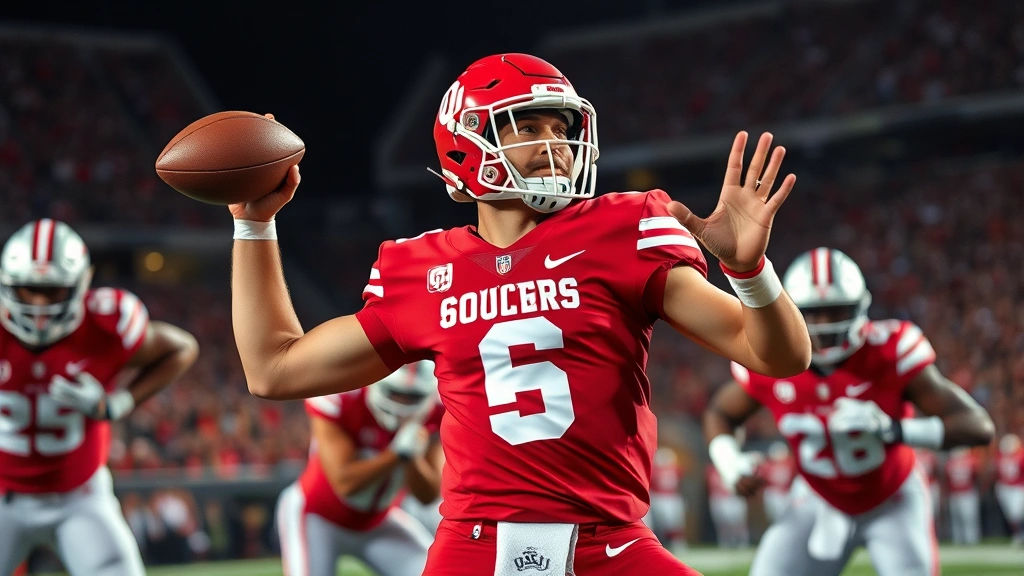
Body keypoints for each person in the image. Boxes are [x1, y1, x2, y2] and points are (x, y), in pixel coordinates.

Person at [225, 53, 811, 575]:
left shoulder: (620, 229)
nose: (555, 145)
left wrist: (749, 271)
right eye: (528, 127)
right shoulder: (422, 269)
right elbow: (273, 370)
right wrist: (254, 224)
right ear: (465, 145)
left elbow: (776, 356)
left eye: (561, 128)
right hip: (472, 548)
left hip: (610, 544)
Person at [703, 247, 994, 576]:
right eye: (813, 313)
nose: (825, 325)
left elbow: (978, 426)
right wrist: (729, 462)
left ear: (860, 308)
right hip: (817, 499)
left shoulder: (890, 350)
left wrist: (894, 431)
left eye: (835, 310)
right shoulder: (770, 360)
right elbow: (721, 413)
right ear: (792, 312)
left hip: (893, 497)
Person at [0, 219, 199, 575]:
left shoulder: (105, 327)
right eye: (30, 289)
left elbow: (182, 348)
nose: (40, 305)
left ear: (82, 284)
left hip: (80, 499)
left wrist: (119, 403)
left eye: (54, 291)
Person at [275, 361, 443, 576]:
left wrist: (413, 458)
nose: (402, 405)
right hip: (317, 516)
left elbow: (428, 496)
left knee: (437, 571)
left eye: (414, 397)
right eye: (394, 393)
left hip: (377, 521)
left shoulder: (436, 410)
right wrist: (397, 454)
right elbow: (344, 483)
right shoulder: (342, 397)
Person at [642, 446, 686, 549]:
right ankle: (660, 542)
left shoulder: (675, 468)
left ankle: (677, 543)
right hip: (659, 497)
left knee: (676, 522)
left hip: (672, 497)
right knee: (660, 524)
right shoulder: (655, 470)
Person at [706, 463, 749, 548]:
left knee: (738, 522)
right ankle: (726, 542)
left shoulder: (736, 468)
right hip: (721, 498)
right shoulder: (712, 470)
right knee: (723, 523)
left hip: (734, 498)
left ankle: (742, 542)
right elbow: (712, 485)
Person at [944, 446, 981, 545]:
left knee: (969, 517)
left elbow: (977, 476)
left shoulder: (971, 461)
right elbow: (947, 479)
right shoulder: (950, 463)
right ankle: (958, 539)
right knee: (956, 518)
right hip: (955, 493)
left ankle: (972, 539)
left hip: (968, 492)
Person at [994, 433, 1024, 546]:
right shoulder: (1000, 456)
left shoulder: (1021, 455)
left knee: (1017, 513)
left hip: (1018, 487)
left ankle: (1020, 534)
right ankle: (1017, 535)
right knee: (1011, 515)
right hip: (1004, 487)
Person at [761, 441, 796, 523]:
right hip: (774, 495)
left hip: (787, 494)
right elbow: (764, 482)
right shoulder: (767, 466)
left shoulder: (790, 463)